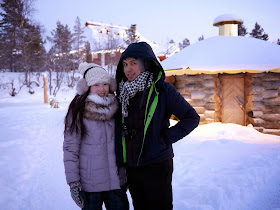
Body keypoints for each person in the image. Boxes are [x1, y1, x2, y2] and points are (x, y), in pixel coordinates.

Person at [114, 42, 200, 210]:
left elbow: (192, 118)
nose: (128, 69)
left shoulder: (162, 90)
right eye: (125, 64)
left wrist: (165, 138)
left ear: (146, 63)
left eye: (133, 63)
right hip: (132, 166)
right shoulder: (122, 92)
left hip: (157, 164)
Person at [63, 62, 129, 210]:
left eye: (105, 84)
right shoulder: (78, 110)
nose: (102, 89)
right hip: (90, 185)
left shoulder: (117, 107)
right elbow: (70, 149)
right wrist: (74, 183)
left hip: (116, 182)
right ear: (87, 87)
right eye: (96, 85)